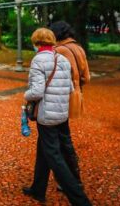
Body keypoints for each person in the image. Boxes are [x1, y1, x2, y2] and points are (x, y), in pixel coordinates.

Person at [23, 28, 91, 206]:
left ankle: (80, 201)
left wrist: (26, 95)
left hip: (46, 115)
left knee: (54, 156)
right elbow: (69, 88)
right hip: (61, 114)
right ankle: (38, 189)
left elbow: (36, 92)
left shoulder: (38, 60)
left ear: (36, 42)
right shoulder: (62, 59)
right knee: (44, 149)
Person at [50, 21, 90, 192]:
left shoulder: (60, 51)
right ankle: (68, 178)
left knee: (62, 139)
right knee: (61, 137)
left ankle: (72, 180)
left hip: (61, 98)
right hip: (76, 95)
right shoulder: (79, 48)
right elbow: (86, 77)